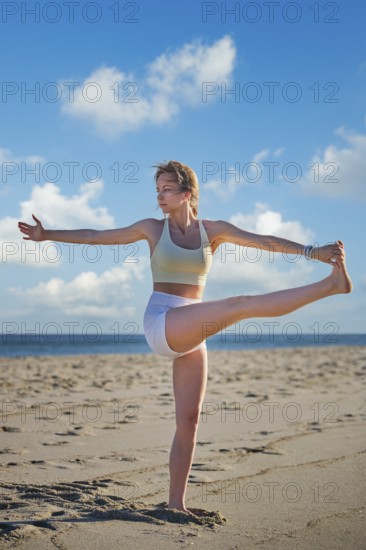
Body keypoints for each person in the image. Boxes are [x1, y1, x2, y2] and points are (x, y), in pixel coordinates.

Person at [18, 160, 352, 513]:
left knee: (189, 421)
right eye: (157, 190)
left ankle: (175, 504)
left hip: (194, 327)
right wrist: (48, 234)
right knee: (240, 303)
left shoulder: (214, 231)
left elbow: (264, 241)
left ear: (187, 194)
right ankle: (330, 286)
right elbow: (95, 237)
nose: (159, 197)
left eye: (166, 190)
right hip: (163, 320)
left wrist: (310, 252)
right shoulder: (151, 229)